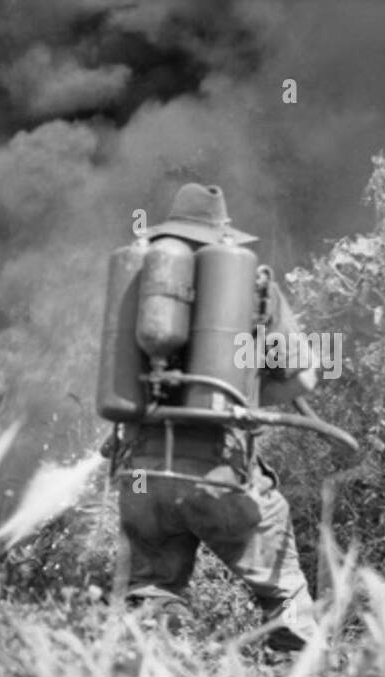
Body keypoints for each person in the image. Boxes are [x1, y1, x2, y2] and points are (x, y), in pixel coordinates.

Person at [107, 183, 319, 651]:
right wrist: (245, 393)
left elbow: (117, 380)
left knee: (148, 595)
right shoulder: (252, 286)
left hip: (142, 477)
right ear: (224, 232)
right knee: (283, 595)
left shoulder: (138, 280)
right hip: (217, 476)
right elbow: (305, 378)